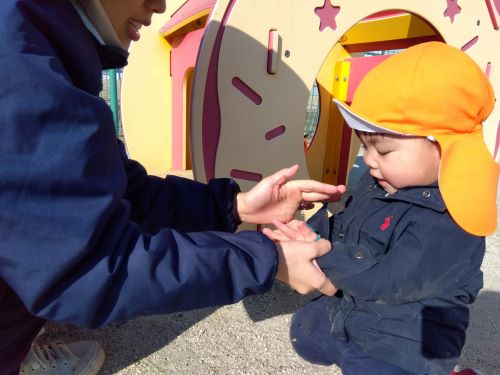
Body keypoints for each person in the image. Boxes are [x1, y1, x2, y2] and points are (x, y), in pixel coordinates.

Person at [0, 1, 344, 374]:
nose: (159, 4)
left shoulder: (40, 46)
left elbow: (116, 189)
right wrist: (268, 259)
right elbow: (92, 267)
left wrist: (235, 206)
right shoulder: (19, 67)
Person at [264, 42, 499, 375]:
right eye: (365, 147)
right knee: (306, 335)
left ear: (443, 148)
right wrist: (312, 232)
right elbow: (347, 223)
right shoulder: (383, 183)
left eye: (384, 151)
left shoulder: (451, 222)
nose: (369, 161)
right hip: (361, 307)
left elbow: (391, 280)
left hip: (407, 344)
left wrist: (323, 258)